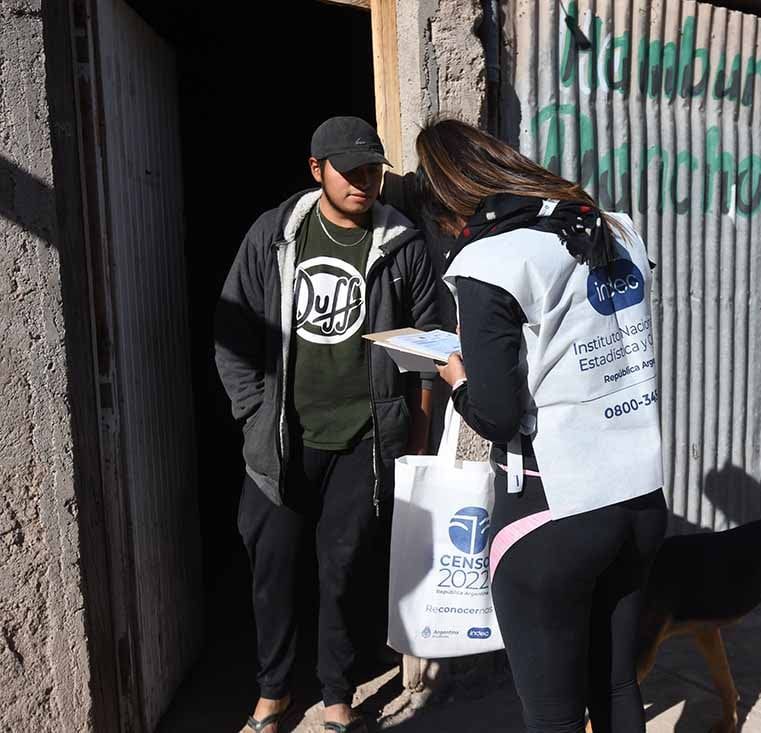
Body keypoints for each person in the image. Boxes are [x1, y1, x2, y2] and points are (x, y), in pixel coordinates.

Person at [415, 118, 668, 733]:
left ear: (450, 199)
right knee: (615, 688)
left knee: (553, 713)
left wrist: (457, 378)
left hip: (551, 512)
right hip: (639, 501)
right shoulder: (614, 230)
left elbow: (498, 413)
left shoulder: (489, 260)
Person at [214, 116, 439, 733]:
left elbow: (425, 354)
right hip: (280, 439)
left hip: (364, 441)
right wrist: (251, 413)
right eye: (351, 171)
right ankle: (274, 690)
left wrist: (413, 443)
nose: (365, 181)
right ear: (317, 170)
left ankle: (337, 691)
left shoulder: (402, 245)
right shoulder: (275, 237)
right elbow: (232, 332)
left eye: (373, 170)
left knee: (343, 571)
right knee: (273, 568)